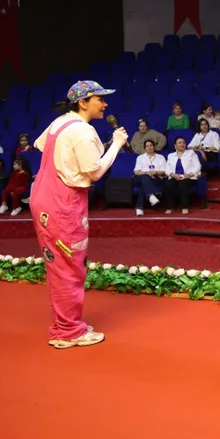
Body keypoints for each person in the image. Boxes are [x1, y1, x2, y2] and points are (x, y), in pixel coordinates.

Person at [32, 81, 128, 349]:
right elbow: (95, 172)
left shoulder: (60, 122)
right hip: (63, 203)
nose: (105, 104)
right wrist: (117, 144)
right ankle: (68, 331)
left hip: (45, 197)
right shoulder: (83, 131)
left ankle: (64, 324)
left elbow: (40, 145)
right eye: (100, 99)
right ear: (83, 102)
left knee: (59, 265)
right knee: (69, 268)